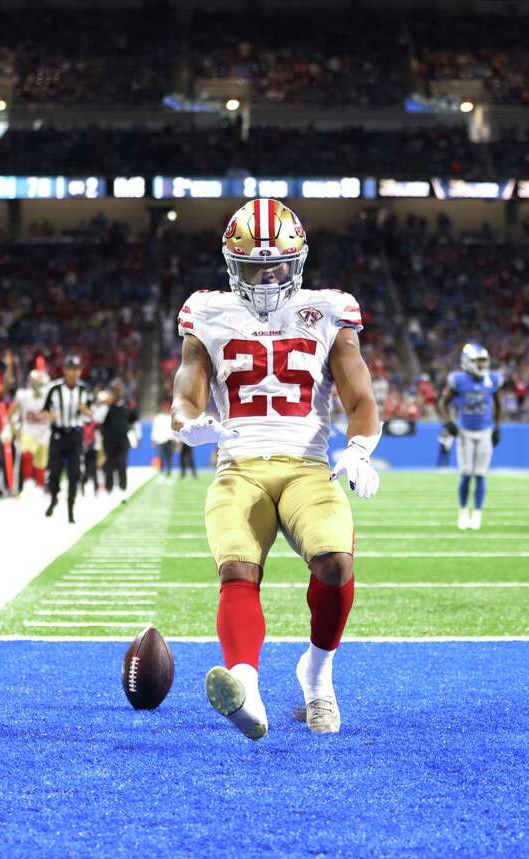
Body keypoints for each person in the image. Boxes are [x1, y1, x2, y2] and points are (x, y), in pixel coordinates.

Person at [171, 198, 381, 740]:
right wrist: (188, 419)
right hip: (238, 465)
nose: (267, 278)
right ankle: (246, 688)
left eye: (277, 264)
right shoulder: (208, 311)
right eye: (253, 267)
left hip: (307, 465)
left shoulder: (329, 310)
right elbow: (187, 387)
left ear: (299, 260)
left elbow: (360, 397)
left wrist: (359, 449)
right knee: (237, 568)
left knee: (335, 562)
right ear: (231, 265)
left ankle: (316, 673)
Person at [440, 342, 502, 530]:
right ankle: (463, 511)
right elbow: (443, 403)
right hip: (465, 432)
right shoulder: (458, 380)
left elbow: (500, 405)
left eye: (484, 361)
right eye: (478, 361)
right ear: (467, 362)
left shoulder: (492, 379)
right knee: (466, 475)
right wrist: (448, 422)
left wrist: (498, 427)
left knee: (481, 475)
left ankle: (477, 513)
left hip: (484, 431)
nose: (482, 365)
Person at [43, 355, 93, 523]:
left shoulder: (84, 390)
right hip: (57, 434)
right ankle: (53, 499)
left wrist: (86, 411)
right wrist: (50, 416)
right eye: (71, 369)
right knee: (54, 471)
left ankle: (71, 509)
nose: (74, 373)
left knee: (74, 473)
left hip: (75, 434)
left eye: (77, 369)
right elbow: (44, 411)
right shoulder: (54, 389)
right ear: (65, 370)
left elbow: (91, 414)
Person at [9, 369, 50, 490]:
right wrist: (15, 427)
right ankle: (28, 483)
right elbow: (11, 413)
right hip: (28, 430)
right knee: (27, 454)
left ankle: (40, 486)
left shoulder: (48, 394)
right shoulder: (23, 395)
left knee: (41, 463)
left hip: (44, 432)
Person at [100, 379, 136, 494]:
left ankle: (123, 487)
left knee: (122, 462)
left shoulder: (127, 404)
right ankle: (108, 487)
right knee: (109, 463)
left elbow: (134, 419)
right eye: (115, 389)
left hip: (122, 439)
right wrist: (105, 404)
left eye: (119, 389)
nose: (117, 392)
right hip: (108, 439)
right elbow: (98, 419)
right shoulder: (106, 405)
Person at [151, 402, 175, 481]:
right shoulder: (158, 418)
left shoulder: (171, 417)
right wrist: (153, 440)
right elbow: (155, 429)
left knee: (169, 458)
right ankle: (161, 473)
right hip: (160, 440)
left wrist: (176, 440)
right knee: (160, 458)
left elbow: (174, 430)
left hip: (169, 440)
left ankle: (169, 474)